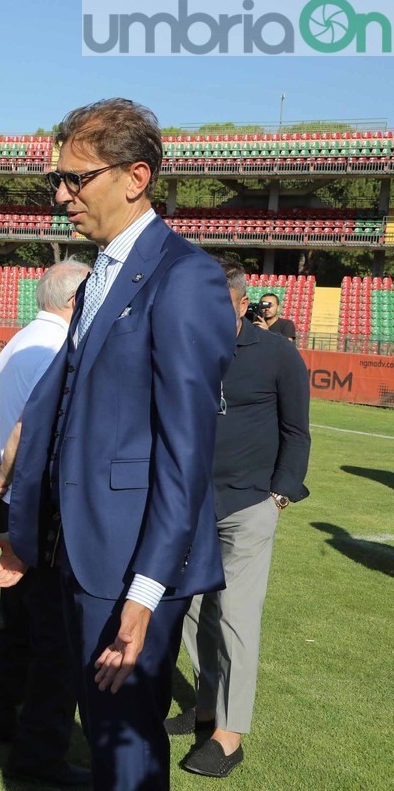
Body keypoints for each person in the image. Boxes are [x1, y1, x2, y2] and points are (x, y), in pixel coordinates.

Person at [5, 99, 237, 790]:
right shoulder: (104, 271)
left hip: (133, 566)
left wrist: (142, 594)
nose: (61, 195)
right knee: (108, 743)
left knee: (128, 753)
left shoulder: (185, 278)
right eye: (58, 179)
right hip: (82, 552)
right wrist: (21, 506)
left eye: (77, 179)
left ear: (136, 177)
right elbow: (68, 400)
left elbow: (185, 451)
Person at [167, 259, 311, 778]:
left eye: (220, 306)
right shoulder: (185, 346)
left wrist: (280, 495)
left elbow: (297, 431)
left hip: (249, 506)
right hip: (190, 506)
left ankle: (229, 736)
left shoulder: (277, 354)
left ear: (242, 304)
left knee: (234, 616)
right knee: (188, 610)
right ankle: (206, 707)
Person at [0, 260, 91, 787]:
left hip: (17, 498)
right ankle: (39, 759)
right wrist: (8, 473)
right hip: (41, 501)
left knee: (21, 623)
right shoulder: (56, 348)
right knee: (56, 638)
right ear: (74, 299)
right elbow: (23, 431)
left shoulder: (18, 343)